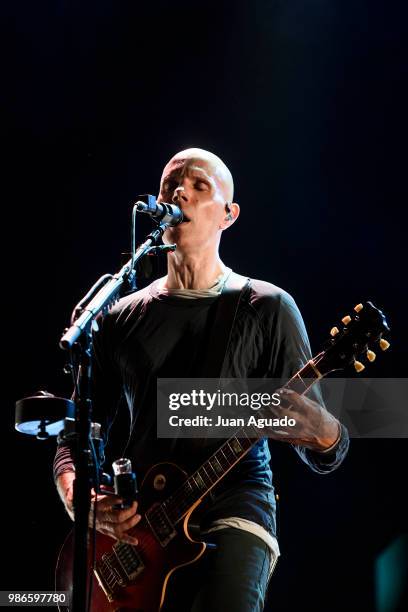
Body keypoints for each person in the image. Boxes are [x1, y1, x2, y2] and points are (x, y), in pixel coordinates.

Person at [54, 147, 349, 611]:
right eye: (170, 185)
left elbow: (324, 439)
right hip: (144, 530)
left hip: (234, 510)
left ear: (228, 215)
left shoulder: (267, 306)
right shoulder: (118, 317)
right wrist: (78, 497)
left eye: (198, 186)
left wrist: (328, 434)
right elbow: (75, 431)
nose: (180, 194)